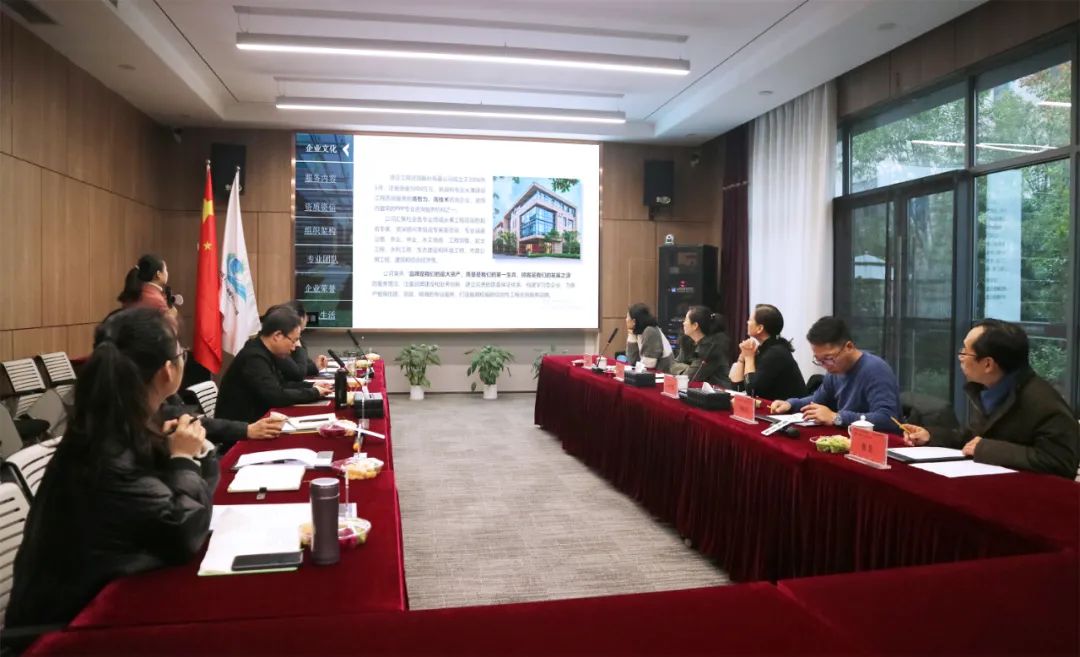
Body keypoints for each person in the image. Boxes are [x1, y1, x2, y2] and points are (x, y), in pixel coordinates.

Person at [6, 309, 218, 631]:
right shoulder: (107, 448)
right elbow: (181, 532)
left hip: (93, 602)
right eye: (181, 353)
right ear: (166, 371)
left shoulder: (114, 423)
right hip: (64, 631)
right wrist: (183, 459)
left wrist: (179, 455)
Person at [901, 320, 1079, 478]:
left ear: (988, 364)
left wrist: (987, 449)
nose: (960, 357)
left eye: (965, 352)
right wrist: (930, 436)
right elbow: (971, 439)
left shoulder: (1043, 402)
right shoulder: (992, 389)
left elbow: (1061, 463)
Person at [770, 316, 900, 433]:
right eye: (819, 360)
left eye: (829, 358)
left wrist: (836, 417)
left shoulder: (875, 369)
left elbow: (888, 419)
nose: (825, 365)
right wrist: (791, 404)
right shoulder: (834, 371)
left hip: (880, 443)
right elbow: (817, 400)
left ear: (849, 347)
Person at [216, 307, 333, 424]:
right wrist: (314, 392)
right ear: (277, 335)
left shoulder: (265, 351)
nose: (294, 348)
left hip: (257, 420)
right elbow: (276, 396)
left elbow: (281, 385)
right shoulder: (254, 357)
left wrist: (312, 386)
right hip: (241, 428)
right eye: (293, 341)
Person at [729, 304, 807, 401]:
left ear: (760, 328)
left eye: (750, 320)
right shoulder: (763, 349)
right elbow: (737, 388)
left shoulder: (776, 353)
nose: (747, 322)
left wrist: (749, 358)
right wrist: (742, 358)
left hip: (790, 408)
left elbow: (752, 391)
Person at [270, 300, 328, 382]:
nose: (307, 319)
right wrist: (298, 347)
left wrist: (315, 367)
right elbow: (297, 373)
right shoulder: (280, 344)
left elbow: (302, 368)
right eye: (306, 315)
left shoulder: (294, 339)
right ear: (300, 318)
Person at [671, 306, 730, 386]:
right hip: (696, 389)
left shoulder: (712, 348)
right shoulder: (687, 342)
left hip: (718, 390)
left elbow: (690, 376)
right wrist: (689, 368)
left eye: (686, 320)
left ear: (695, 325)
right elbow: (673, 366)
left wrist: (687, 369)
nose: (683, 323)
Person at [623, 303, 673, 372]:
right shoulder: (639, 331)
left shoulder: (650, 331)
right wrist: (632, 334)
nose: (626, 320)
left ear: (634, 321)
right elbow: (632, 361)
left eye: (627, 317)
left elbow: (649, 364)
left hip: (664, 373)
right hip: (651, 373)